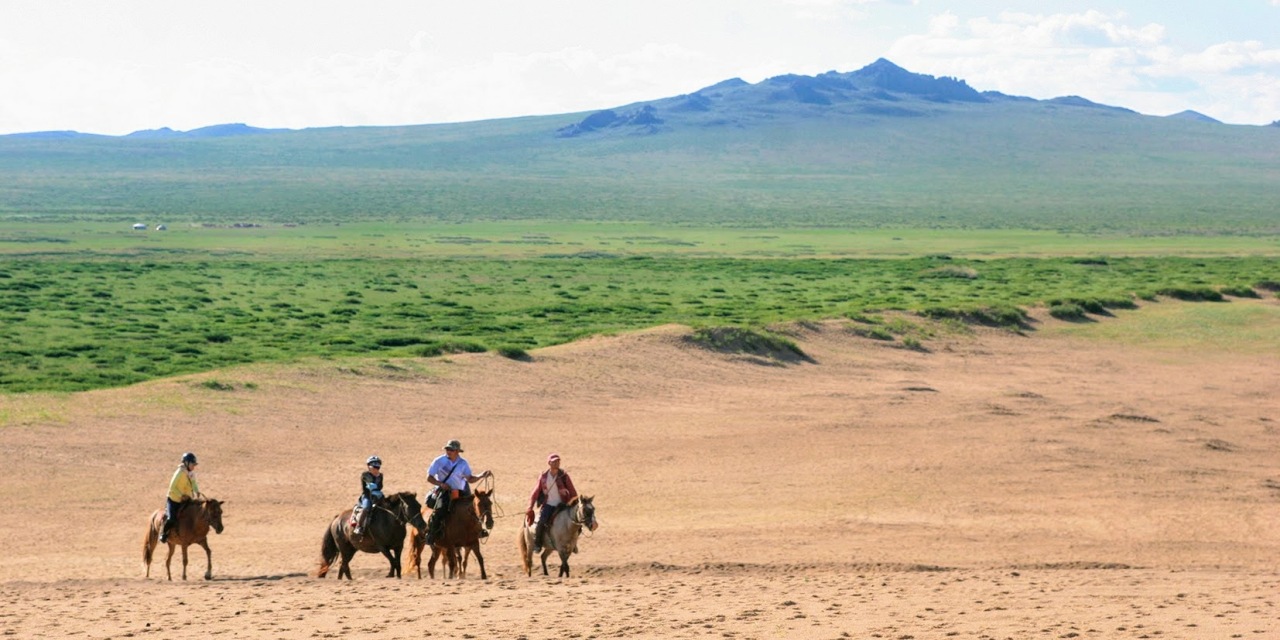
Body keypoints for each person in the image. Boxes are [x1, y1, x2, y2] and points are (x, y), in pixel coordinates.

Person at [424, 439, 491, 546]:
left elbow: (470, 479)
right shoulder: (439, 461)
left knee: (473, 509)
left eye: (451, 449)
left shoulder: (463, 463)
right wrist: (440, 484)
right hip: (444, 491)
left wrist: (481, 475)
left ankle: (479, 530)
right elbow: (429, 477)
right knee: (440, 511)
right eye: (447, 449)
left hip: (461, 492)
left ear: (457, 451)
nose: (448, 451)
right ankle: (431, 534)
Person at [526, 452, 578, 554]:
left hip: (563, 505)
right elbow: (535, 493)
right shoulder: (543, 477)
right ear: (549, 463)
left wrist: (572, 503)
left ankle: (574, 544)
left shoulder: (564, 476)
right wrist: (529, 507)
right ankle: (538, 543)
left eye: (558, 461)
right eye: (554, 461)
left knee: (576, 523)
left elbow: (573, 492)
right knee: (541, 522)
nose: (557, 463)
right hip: (549, 505)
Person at [160, 452, 201, 543]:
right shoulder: (179, 473)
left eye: (194, 464)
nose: (194, 466)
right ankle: (164, 534)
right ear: (186, 463)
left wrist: (196, 490)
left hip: (186, 499)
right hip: (174, 500)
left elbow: (193, 483)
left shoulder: (191, 473)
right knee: (172, 518)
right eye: (192, 464)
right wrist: (181, 496)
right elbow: (172, 487)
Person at [352, 455, 384, 535]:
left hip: (377, 496)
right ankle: (358, 526)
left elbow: (380, 486)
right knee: (366, 508)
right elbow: (369, 487)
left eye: (378, 467)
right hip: (367, 496)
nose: (376, 469)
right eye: (374, 467)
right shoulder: (365, 475)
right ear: (369, 467)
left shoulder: (380, 476)